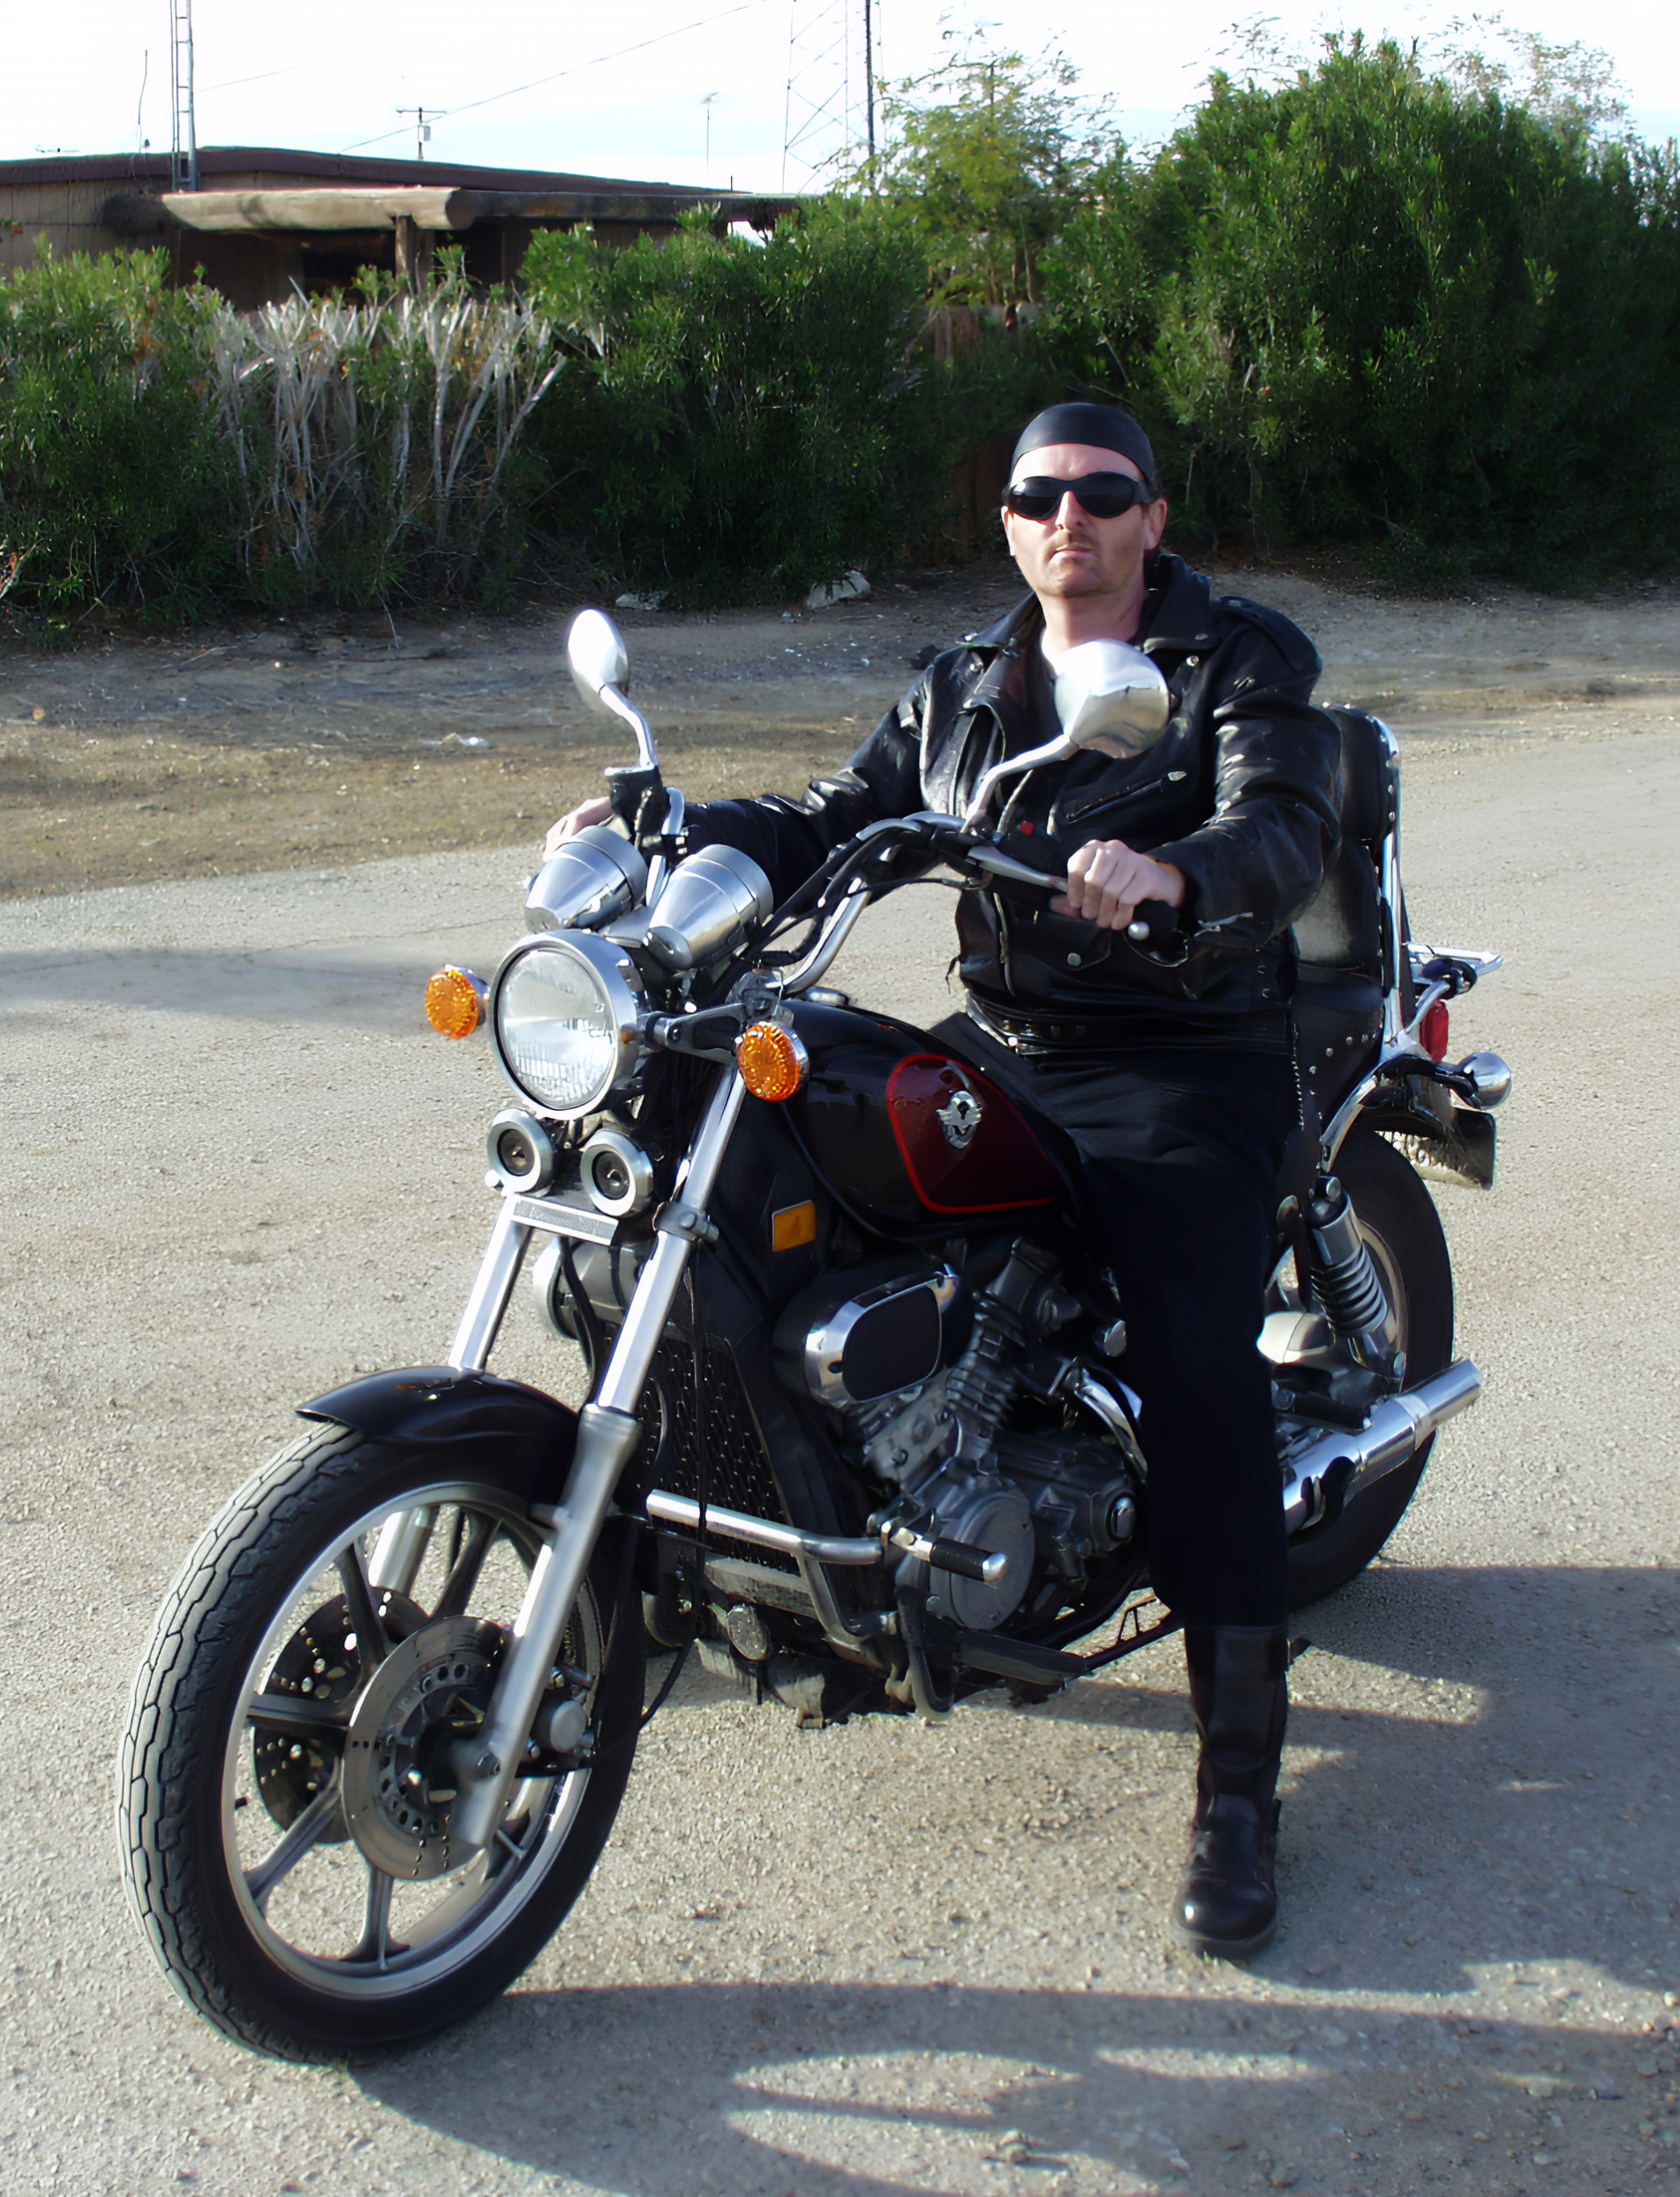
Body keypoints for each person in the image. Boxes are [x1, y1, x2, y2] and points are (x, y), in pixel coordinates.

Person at [541, 401, 1344, 1959]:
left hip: (1186, 1054)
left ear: (1154, 518)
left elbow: (1282, 826)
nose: (1070, 519)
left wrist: (1173, 873)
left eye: (1103, 494)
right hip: (1016, 1040)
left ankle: (1240, 1781)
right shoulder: (968, 682)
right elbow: (842, 816)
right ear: (1011, 523)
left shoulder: (1239, 661)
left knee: (1199, 1361)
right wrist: (674, 828)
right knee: (781, 1180)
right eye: (1040, 496)